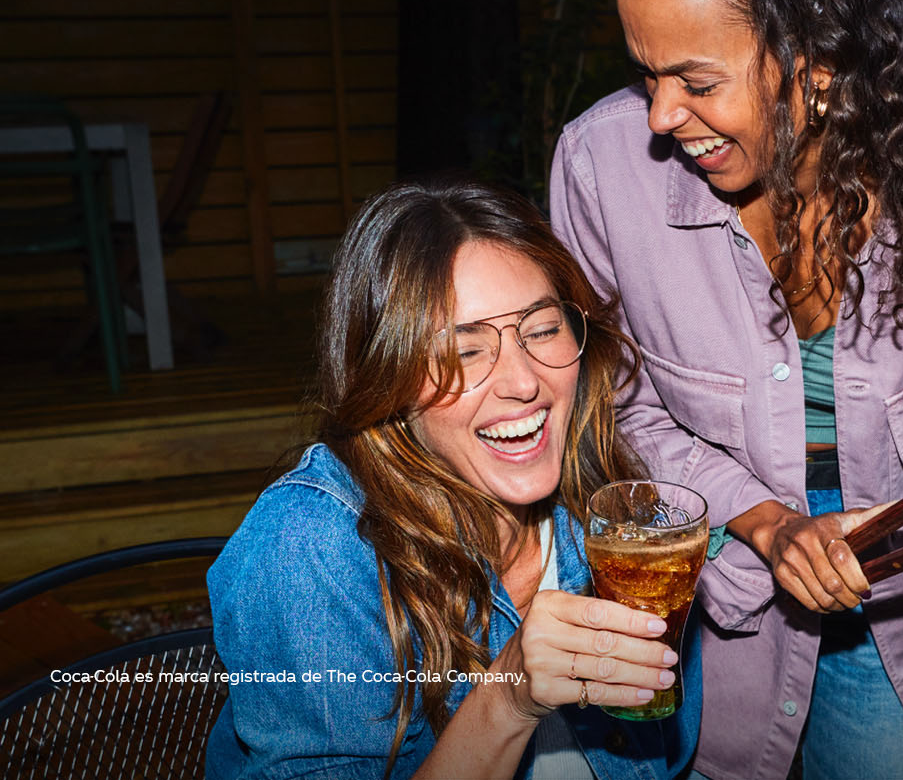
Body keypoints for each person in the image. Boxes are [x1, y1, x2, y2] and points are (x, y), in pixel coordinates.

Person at [549, 0, 903, 778]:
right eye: (646, 73)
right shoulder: (601, 169)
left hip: (898, 589)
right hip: (707, 571)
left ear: (818, 63)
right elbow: (615, 412)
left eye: (696, 81)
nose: (660, 116)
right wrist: (766, 523)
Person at [206, 179, 700, 779]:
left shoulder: (610, 507)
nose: (523, 382)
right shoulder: (308, 548)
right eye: (463, 352)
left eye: (543, 330)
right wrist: (508, 698)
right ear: (382, 375)